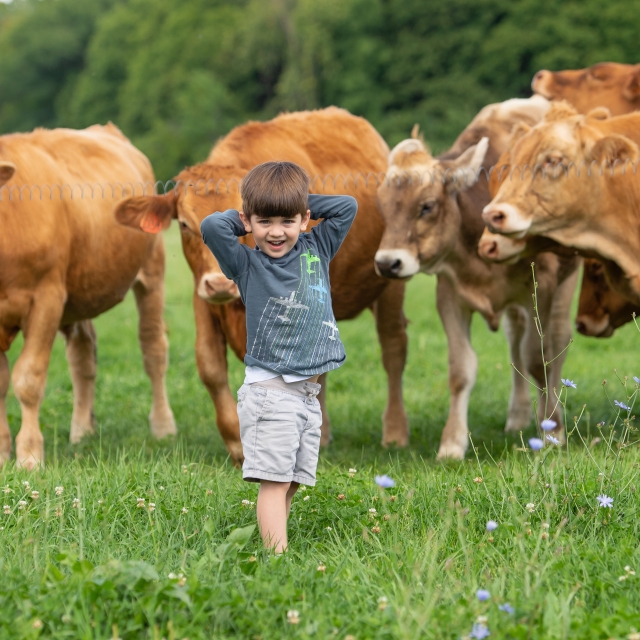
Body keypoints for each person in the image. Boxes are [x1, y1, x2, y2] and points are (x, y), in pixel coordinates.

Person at [200, 161, 357, 553]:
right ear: (249, 221)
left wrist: (298, 204)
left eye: (287, 220)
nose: (275, 231)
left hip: (307, 393)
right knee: (274, 482)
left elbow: (347, 206)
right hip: (271, 390)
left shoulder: (317, 246)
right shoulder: (247, 263)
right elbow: (210, 227)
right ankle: (277, 560)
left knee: (292, 480)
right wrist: (244, 219)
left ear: (305, 219)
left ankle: (274, 544)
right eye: (264, 221)